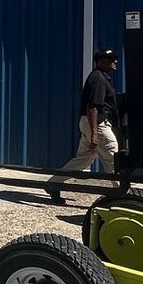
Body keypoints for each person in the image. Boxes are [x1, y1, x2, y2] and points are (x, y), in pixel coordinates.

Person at [45, 47, 120, 206]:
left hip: (90, 123)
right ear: (101, 62)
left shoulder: (101, 77)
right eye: (111, 60)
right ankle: (124, 195)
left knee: (84, 159)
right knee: (113, 157)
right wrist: (94, 133)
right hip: (97, 123)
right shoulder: (99, 78)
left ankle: (53, 183)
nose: (115, 62)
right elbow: (93, 106)